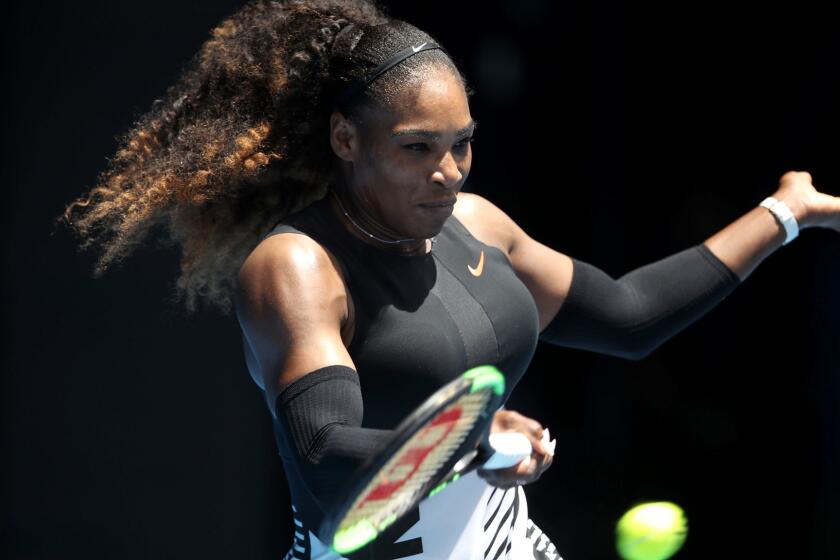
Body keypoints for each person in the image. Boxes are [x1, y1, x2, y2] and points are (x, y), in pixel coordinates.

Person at [58, 1, 840, 559]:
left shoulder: (478, 221)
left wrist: (785, 214)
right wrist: (469, 441)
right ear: (345, 139)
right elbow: (325, 458)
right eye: (416, 147)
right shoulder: (296, 267)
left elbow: (630, 317)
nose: (447, 172)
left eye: (462, 143)